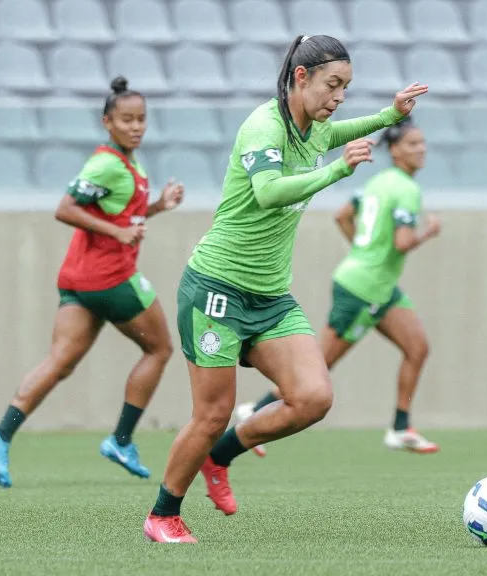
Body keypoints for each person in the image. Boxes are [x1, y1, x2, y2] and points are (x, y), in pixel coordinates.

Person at [142, 34, 427, 544]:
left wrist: (390, 114)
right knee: (212, 414)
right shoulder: (264, 126)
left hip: (271, 298)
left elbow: (344, 129)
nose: (339, 97)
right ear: (300, 77)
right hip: (217, 290)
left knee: (313, 398)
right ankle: (163, 515)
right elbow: (269, 192)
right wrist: (338, 169)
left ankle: (219, 458)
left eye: (345, 87)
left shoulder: (314, 129)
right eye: (332, 84)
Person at [0, 77, 184, 489]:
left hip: (77, 279)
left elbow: (123, 217)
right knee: (160, 349)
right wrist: (117, 233)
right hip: (110, 277)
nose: (136, 127)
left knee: (61, 361)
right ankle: (121, 440)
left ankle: (0, 435)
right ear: (107, 122)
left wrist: (158, 206)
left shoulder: (127, 163)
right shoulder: (106, 163)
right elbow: (66, 208)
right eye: (126, 120)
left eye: (141, 119)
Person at [240, 117, 442, 457]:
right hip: (364, 289)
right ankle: (254, 411)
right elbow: (403, 241)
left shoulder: (378, 181)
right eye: (412, 144)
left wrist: (362, 251)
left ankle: (400, 427)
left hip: (378, 285)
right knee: (318, 367)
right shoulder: (407, 189)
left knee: (417, 347)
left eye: (422, 143)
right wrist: (428, 232)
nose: (421, 149)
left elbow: (342, 215)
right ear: (394, 150)